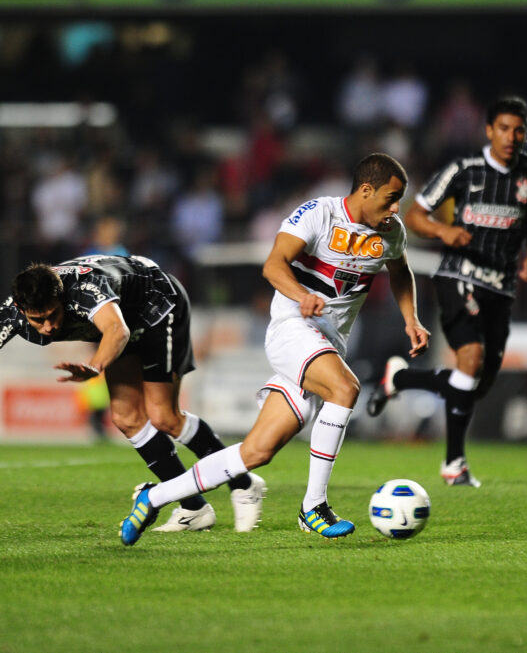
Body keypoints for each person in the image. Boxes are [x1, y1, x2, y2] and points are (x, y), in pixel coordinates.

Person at [120, 152, 430, 545]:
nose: (395, 207)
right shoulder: (319, 213)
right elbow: (273, 265)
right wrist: (301, 295)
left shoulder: (391, 231)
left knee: (255, 452)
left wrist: (411, 319)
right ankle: (313, 507)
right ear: (366, 190)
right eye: (390, 197)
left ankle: (155, 496)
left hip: (328, 345)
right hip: (293, 328)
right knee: (346, 389)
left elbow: (400, 271)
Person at [0, 254, 266, 533]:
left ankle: (243, 483)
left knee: (163, 416)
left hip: (159, 305)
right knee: (127, 419)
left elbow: (116, 330)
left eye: (53, 315)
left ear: (61, 298)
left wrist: (96, 366)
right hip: (126, 324)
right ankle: (194, 509)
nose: (48, 327)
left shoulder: (85, 289)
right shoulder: (13, 314)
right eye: (37, 320)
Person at [366, 96, 527, 487]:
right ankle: (454, 464)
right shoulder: (463, 170)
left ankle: (398, 381)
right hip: (457, 275)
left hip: (501, 289)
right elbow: (415, 214)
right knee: (470, 360)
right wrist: (443, 231)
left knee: (476, 382)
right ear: (489, 130)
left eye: (519, 130)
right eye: (503, 128)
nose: (511, 136)